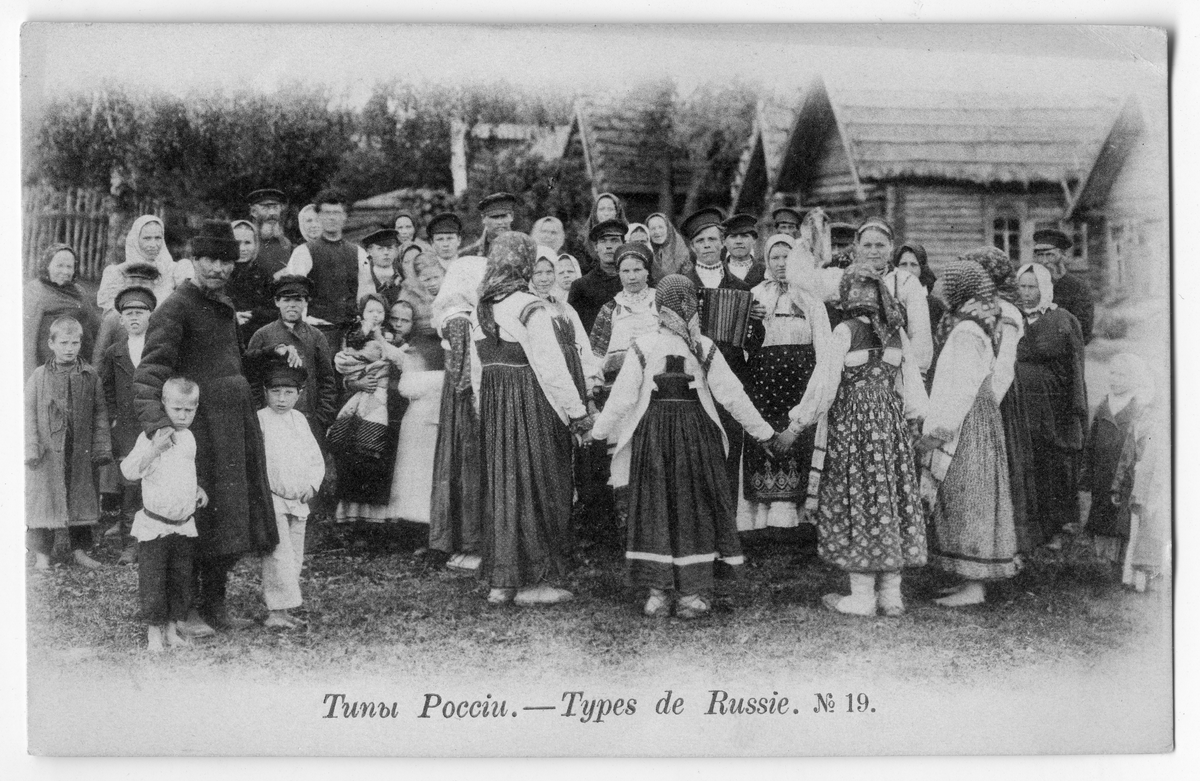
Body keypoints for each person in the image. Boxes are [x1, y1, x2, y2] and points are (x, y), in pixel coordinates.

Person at [589, 275, 782, 618]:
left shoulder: (649, 345)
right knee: (692, 507)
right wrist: (765, 434)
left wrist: (597, 432)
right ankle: (688, 595)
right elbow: (733, 396)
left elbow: (621, 398)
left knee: (656, 507)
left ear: (658, 306)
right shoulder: (699, 345)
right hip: (694, 437)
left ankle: (660, 594)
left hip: (655, 437)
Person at [134, 219, 278, 636]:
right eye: (209, 259)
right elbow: (149, 373)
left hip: (233, 429)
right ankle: (187, 611)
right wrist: (161, 428)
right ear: (193, 259)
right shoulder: (176, 307)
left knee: (228, 519)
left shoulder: (223, 304)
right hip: (198, 433)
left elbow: (232, 362)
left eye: (226, 261)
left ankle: (216, 605)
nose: (218, 268)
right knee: (199, 520)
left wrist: (270, 355)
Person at [473, 232, 592, 606]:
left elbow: (476, 373)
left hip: (496, 408)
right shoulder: (529, 307)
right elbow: (552, 369)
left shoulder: (480, 309)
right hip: (532, 405)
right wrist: (578, 414)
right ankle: (536, 582)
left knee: (505, 487)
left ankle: (503, 583)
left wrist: (484, 412)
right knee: (541, 485)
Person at [808, 267, 928, 616]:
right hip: (890, 428)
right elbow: (912, 386)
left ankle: (862, 597)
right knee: (889, 497)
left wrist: (799, 421)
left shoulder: (845, 331)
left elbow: (824, 386)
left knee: (858, 498)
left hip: (854, 429)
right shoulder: (896, 332)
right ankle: (891, 596)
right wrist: (913, 421)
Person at [920, 260, 1017, 608]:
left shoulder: (966, 332)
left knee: (970, 495)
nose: (943, 290)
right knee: (965, 494)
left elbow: (960, 388)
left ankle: (974, 586)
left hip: (968, 421)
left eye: (949, 284)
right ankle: (966, 579)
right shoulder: (973, 323)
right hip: (978, 417)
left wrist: (938, 431)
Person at [738, 234, 833, 533]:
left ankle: (797, 526)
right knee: (765, 447)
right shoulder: (754, 295)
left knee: (798, 446)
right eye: (775, 257)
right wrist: (750, 321)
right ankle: (762, 525)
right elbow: (742, 348)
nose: (781, 264)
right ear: (766, 261)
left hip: (800, 385)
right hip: (763, 387)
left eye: (787, 257)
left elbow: (825, 349)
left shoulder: (811, 298)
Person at [680, 207, 760, 498]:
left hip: (732, 377)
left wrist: (754, 323)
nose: (707, 246)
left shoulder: (740, 287)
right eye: (700, 241)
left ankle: (727, 515)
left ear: (722, 243)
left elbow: (753, 343)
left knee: (730, 448)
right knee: (695, 451)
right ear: (692, 247)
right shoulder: (682, 284)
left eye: (712, 240)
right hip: (693, 380)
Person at [119, 377, 205, 652]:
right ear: (164, 405)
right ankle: (154, 634)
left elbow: (184, 471)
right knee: (154, 581)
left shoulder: (189, 438)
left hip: (183, 525)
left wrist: (197, 489)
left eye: (189, 410)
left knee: (180, 580)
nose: (183, 416)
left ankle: (171, 630)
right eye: (177, 409)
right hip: (156, 526)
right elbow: (129, 471)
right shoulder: (150, 436)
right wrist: (154, 449)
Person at [963, 246, 1038, 555]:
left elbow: (1004, 366)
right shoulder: (983, 306)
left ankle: (1003, 547)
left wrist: (987, 407)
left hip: (998, 400)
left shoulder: (1006, 311)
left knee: (1001, 468)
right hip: (981, 395)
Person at [25, 316, 112, 570]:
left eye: (75, 343)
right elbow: (28, 414)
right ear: (51, 343)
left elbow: (100, 413)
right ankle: (42, 553)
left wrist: (101, 447)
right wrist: (31, 447)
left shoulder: (89, 375)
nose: (69, 348)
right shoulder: (39, 376)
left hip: (79, 448)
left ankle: (79, 550)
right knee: (44, 498)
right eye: (63, 343)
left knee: (80, 496)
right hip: (47, 451)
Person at [1014, 262, 1088, 551]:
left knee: (1053, 464)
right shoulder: (1011, 317)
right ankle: (1028, 530)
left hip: (1054, 406)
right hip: (1020, 404)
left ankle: (1057, 528)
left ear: (1044, 289)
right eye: (1022, 286)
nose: (1026, 293)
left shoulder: (1063, 320)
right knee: (1025, 462)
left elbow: (1075, 367)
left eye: (1032, 287)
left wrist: (1074, 409)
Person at [428, 255, 489, 572]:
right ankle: (467, 542)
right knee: (466, 466)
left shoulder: (459, 316)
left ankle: (469, 543)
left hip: (460, 396)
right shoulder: (459, 318)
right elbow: (465, 371)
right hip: (464, 397)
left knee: (463, 466)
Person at [256, 362, 326, 630]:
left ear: (299, 394)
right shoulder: (261, 419)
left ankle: (284, 609)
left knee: (295, 554)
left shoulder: (299, 420)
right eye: (275, 392)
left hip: (299, 499)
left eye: (288, 393)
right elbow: (258, 461)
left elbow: (314, 457)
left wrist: (312, 485)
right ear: (265, 392)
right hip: (273, 498)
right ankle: (275, 612)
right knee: (278, 555)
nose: (282, 399)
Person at [329, 294, 407, 524]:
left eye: (380, 311)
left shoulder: (395, 339)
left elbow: (398, 363)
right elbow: (344, 363)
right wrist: (356, 381)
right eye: (370, 311)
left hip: (391, 405)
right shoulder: (355, 335)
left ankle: (380, 520)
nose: (375, 315)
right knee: (356, 455)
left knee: (381, 461)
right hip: (362, 400)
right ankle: (352, 516)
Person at [97, 286, 157, 566]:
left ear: (150, 317)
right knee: (129, 486)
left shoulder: (158, 348)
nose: (134, 318)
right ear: (121, 319)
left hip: (154, 423)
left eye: (140, 313)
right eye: (129, 313)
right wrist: (113, 416)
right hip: (126, 427)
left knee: (156, 479)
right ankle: (130, 545)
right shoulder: (114, 352)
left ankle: (155, 540)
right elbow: (107, 388)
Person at [244, 275, 338, 440]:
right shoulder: (262, 335)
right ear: (277, 302)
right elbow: (251, 378)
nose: (292, 305)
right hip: (270, 419)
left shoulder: (316, 336)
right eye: (286, 300)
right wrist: (258, 413)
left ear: (306, 302)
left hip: (308, 420)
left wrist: (321, 419)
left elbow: (327, 381)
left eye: (298, 300)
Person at [1081, 353, 1151, 568]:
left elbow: (1140, 445)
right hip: (1102, 468)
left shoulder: (1137, 407)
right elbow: (1092, 440)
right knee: (1100, 509)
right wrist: (1087, 472)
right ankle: (1100, 557)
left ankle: (1117, 560)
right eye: (1112, 373)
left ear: (1134, 379)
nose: (1115, 379)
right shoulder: (1104, 404)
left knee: (1119, 513)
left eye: (1122, 375)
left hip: (1123, 471)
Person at [284, 189, 372, 344]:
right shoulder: (304, 252)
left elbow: (366, 295)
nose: (332, 218)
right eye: (326, 213)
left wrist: (365, 327)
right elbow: (294, 294)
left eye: (337, 213)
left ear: (345, 216)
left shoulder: (359, 253)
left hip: (351, 332)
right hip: (317, 332)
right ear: (319, 216)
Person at [389, 333, 446, 526]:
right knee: (419, 472)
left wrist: (410, 370)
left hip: (429, 424)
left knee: (423, 472)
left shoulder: (426, 376)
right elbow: (407, 386)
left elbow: (406, 387)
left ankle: (423, 518)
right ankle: (419, 518)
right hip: (423, 423)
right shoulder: (419, 353)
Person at [589, 243, 659, 397]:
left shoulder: (661, 303)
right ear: (618, 273)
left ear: (647, 272)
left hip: (658, 388)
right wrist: (594, 388)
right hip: (619, 390)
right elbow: (597, 354)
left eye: (637, 270)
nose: (632, 277)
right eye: (625, 271)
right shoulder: (610, 309)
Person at [24, 244, 102, 379]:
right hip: (50, 368)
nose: (65, 271)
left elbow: (96, 327)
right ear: (47, 266)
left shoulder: (79, 291)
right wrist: (32, 378)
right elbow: (28, 338)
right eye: (59, 266)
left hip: (81, 364)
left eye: (69, 267)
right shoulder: (36, 290)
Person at [531, 248, 601, 395]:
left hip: (573, 371)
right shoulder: (528, 307)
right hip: (543, 377)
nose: (544, 279)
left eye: (549, 272)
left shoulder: (565, 307)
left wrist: (590, 379)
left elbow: (582, 343)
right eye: (538, 273)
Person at [97, 215, 194, 315]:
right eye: (147, 238)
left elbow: (188, 306)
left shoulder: (175, 270)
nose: (153, 244)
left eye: (158, 238)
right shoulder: (117, 273)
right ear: (136, 239)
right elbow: (111, 316)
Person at [1033, 228, 1094, 344]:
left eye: (1050, 255)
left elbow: (1083, 332)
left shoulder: (1078, 288)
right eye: (1040, 255)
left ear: (1063, 256)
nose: (1044, 261)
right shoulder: (1030, 286)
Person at [568, 219, 627, 332]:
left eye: (614, 240)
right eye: (603, 241)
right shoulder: (581, 287)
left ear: (624, 245)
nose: (608, 246)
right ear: (596, 247)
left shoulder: (633, 281)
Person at [227, 220, 278, 347]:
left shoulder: (263, 275)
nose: (242, 248)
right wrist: (233, 316)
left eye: (248, 242)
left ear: (256, 244)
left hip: (258, 340)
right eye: (237, 243)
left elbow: (276, 309)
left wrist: (254, 314)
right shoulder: (221, 273)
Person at [893, 242, 944, 336]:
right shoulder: (887, 301)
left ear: (922, 269)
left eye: (914, 265)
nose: (908, 270)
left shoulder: (935, 306)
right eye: (903, 264)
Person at [397, 251, 445, 337]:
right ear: (417, 279)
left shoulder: (450, 291)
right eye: (427, 280)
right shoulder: (408, 295)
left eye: (436, 277)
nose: (433, 283)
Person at [247, 188, 293, 278]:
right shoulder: (246, 242)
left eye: (275, 208)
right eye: (265, 208)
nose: (272, 213)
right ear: (253, 212)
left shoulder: (286, 244)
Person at [461, 192, 518, 257]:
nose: (500, 222)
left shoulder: (523, 246)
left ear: (512, 216)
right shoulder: (470, 254)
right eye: (494, 217)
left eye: (503, 216)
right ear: (483, 218)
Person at [362, 228, 405, 307]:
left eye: (390, 248)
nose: (386, 253)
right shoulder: (363, 273)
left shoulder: (403, 273)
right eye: (380, 249)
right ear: (369, 251)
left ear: (396, 251)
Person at [645, 212, 691, 283]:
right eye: (653, 228)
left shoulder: (681, 250)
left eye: (661, 227)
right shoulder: (646, 251)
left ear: (668, 229)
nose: (657, 232)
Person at [722, 213, 765, 287]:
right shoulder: (717, 271)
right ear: (724, 242)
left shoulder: (765, 271)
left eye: (744, 236)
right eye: (733, 236)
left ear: (754, 240)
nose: (739, 241)